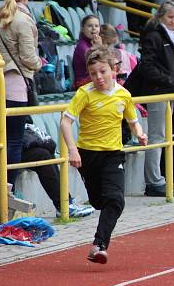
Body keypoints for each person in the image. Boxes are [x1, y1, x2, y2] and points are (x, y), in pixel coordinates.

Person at [61, 47, 147, 264]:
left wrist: (139, 133)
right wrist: (72, 150)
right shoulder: (85, 94)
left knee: (115, 200)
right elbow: (65, 121)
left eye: (103, 72)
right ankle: (99, 236)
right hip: (88, 155)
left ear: (114, 70)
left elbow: (132, 119)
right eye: (93, 74)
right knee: (99, 202)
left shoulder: (123, 95)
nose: (99, 78)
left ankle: (99, 245)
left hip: (113, 154)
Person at [0, 0, 42, 185]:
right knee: (14, 141)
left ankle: (3, 186)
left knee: (2, 139)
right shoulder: (24, 19)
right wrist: (40, 63)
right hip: (16, 85)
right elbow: (29, 58)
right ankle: (9, 189)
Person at [137, 1, 174, 197]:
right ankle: (154, 181)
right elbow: (146, 66)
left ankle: (160, 178)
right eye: (169, 17)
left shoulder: (169, 37)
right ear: (160, 17)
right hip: (158, 92)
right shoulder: (155, 36)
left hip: (167, 92)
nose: (172, 21)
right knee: (156, 136)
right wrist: (168, 80)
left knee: (162, 136)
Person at [71, 14, 101, 88]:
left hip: (94, 77)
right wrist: (99, 47)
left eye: (96, 26)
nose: (94, 28)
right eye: (90, 26)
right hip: (82, 82)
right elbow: (96, 64)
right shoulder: (82, 46)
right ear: (83, 29)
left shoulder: (93, 43)